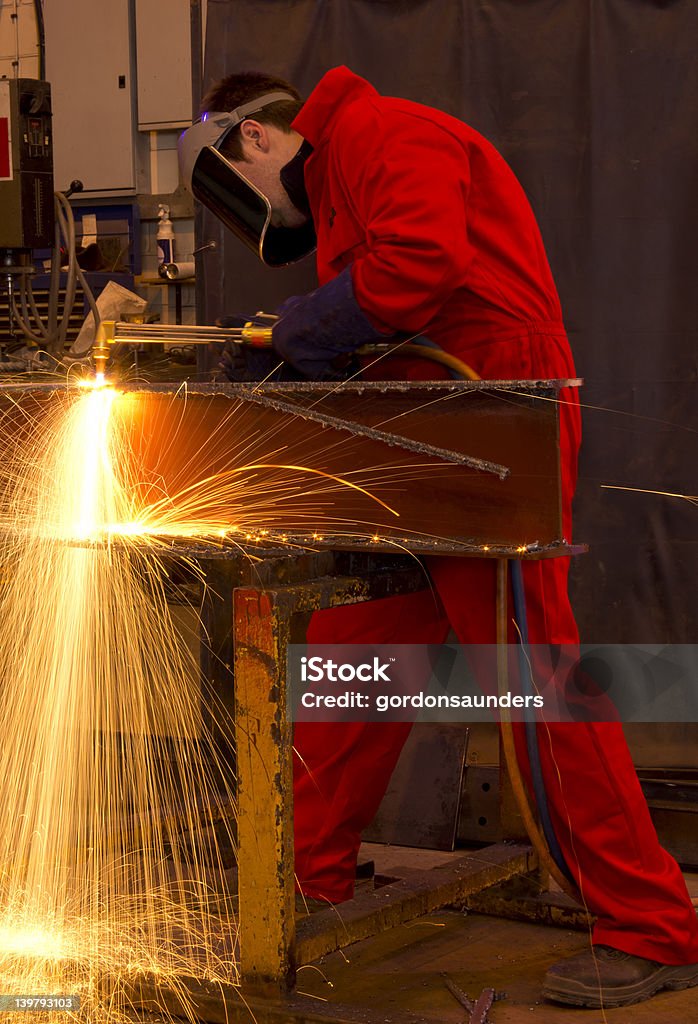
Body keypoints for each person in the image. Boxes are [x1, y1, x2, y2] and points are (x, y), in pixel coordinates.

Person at [178, 66, 698, 1008]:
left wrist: (302, 330)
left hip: (490, 416)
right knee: (354, 655)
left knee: (533, 681)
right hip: (425, 421)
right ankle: (302, 881)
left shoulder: (382, 135)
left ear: (254, 143)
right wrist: (300, 352)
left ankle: (652, 924)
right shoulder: (343, 170)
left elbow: (419, 265)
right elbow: (383, 304)